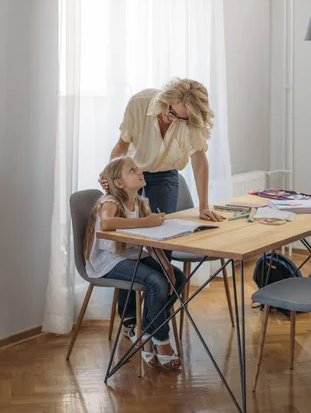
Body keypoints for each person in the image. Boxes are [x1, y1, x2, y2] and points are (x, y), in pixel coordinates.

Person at [99, 78, 226, 338]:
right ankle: (130, 318)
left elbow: (199, 161)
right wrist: (112, 175)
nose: (175, 121)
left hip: (166, 175)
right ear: (164, 101)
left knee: (161, 248)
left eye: (183, 119)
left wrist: (203, 205)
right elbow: (122, 146)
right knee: (129, 246)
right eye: (172, 114)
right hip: (133, 172)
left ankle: (153, 323)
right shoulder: (139, 103)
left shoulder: (192, 120)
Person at [85, 156, 185, 370]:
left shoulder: (142, 203)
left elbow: (150, 242)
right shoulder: (110, 202)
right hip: (109, 261)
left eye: (137, 168)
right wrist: (146, 222)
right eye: (132, 170)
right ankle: (161, 340)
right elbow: (107, 222)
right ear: (119, 183)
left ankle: (147, 330)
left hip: (133, 256)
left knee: (178, 277)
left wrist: (167, 266)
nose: (139, 171)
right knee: (156, 282)